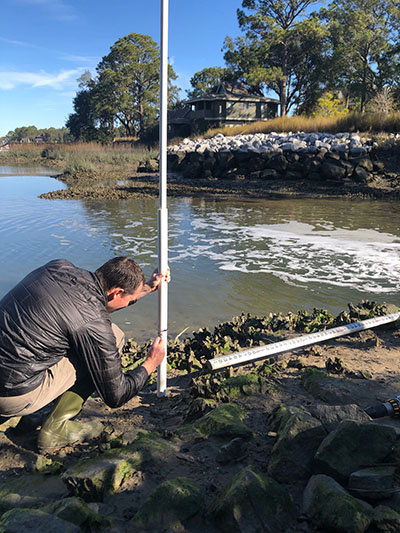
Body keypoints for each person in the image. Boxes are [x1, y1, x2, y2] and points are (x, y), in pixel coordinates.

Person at [0, 256, 169, 452]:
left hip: (10, 368)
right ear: (116, 292)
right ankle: (55, 428)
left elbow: (88, 306)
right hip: (10, 395)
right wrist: (150, 363)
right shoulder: (93, 322)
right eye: (129, 300)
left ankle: (32, 416)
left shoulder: (58, 267)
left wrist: (147, 287)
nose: (128, 303)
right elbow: (116, 395)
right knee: (114, 338)